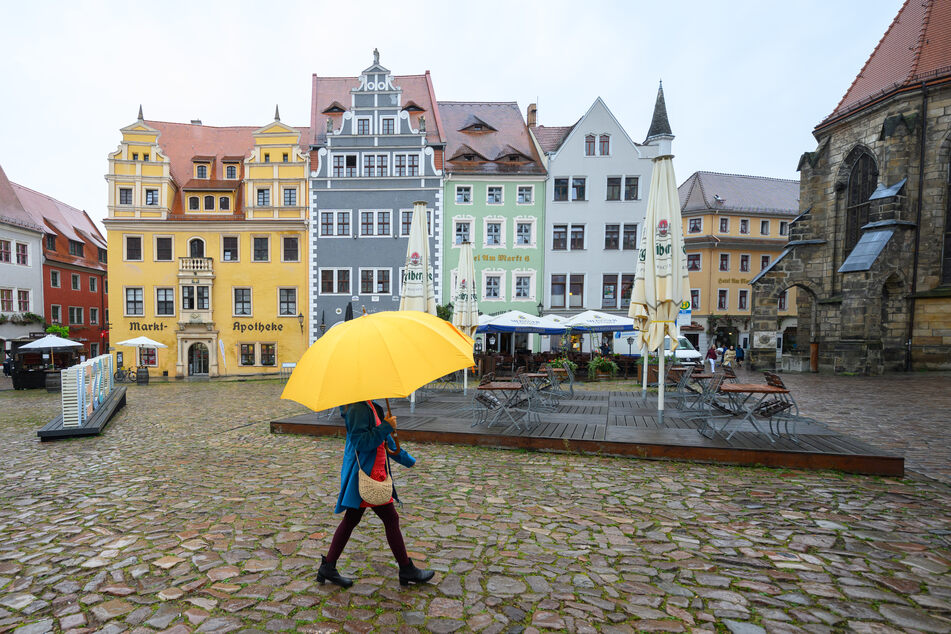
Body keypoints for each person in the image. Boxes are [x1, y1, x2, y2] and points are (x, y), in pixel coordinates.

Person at [318, 400, 434, 589]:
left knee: (353, 520)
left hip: (375, 473)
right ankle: (406, 569)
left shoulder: (372, 406)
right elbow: (361, 442)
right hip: (365, 475)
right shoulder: (356, 408)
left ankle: (328, 566)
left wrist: (408, 459)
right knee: (388, 518)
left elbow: (386, 442)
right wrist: (386, 426)